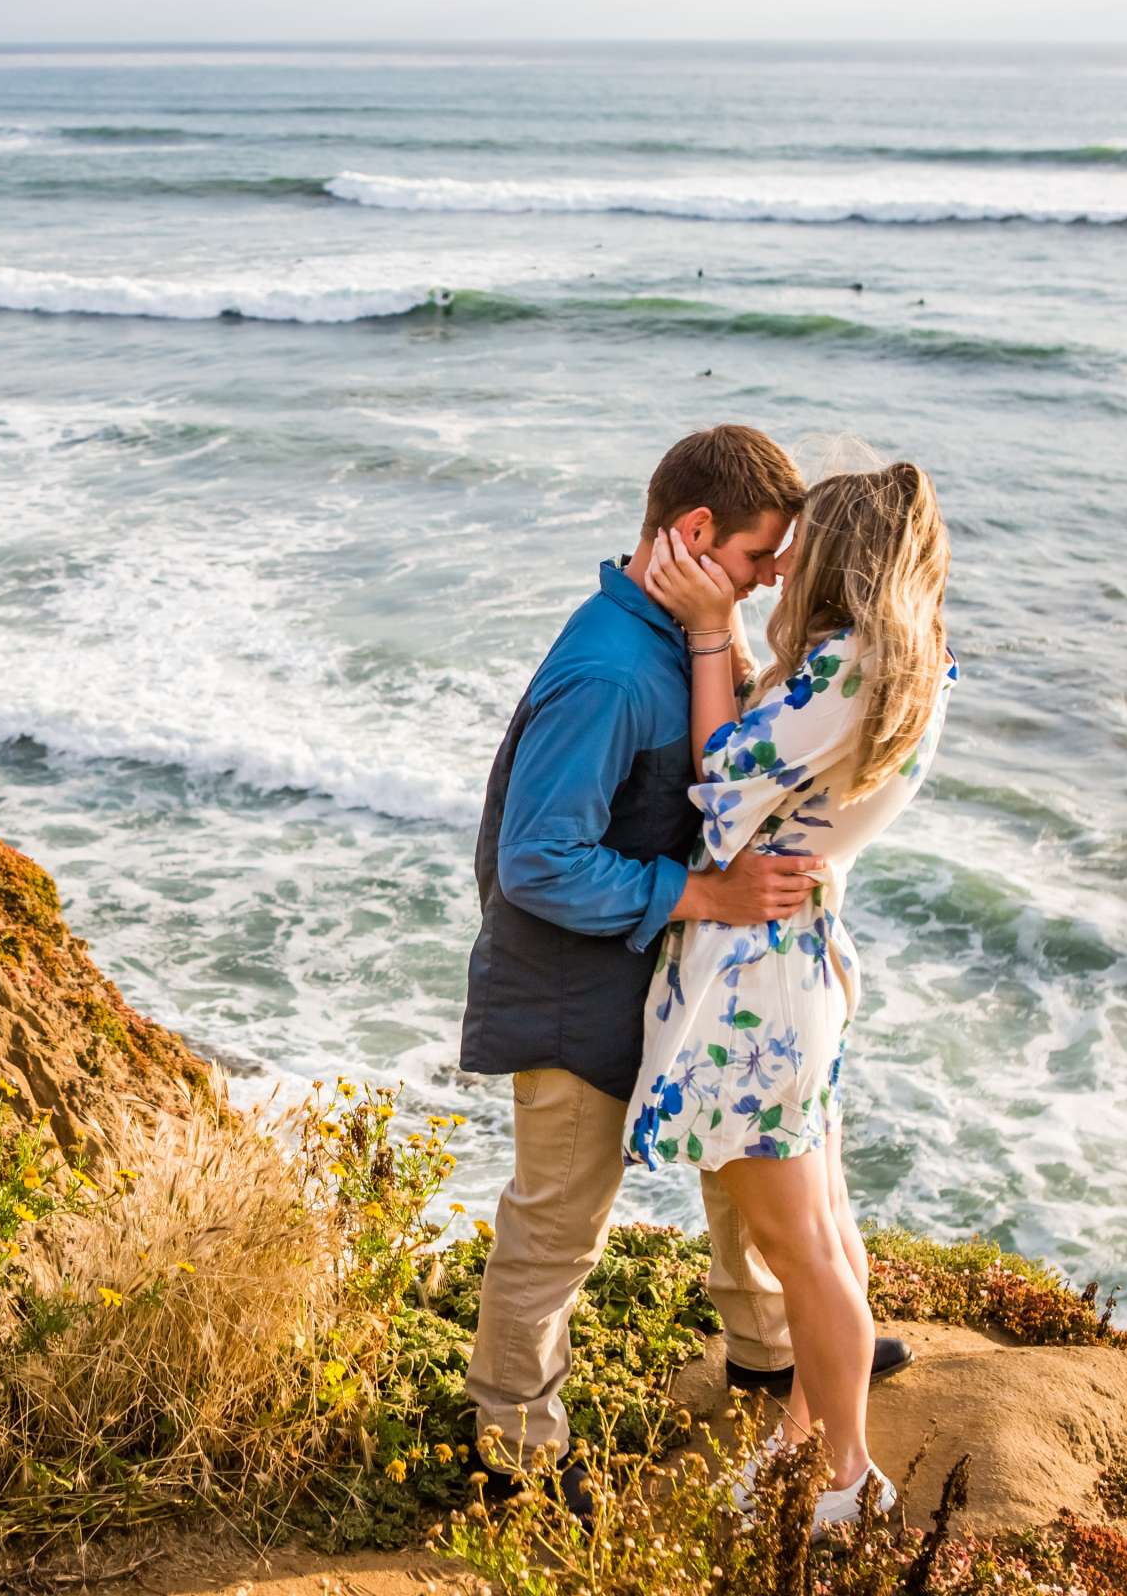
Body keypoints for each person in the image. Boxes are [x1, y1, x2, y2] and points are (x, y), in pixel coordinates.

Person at [459, 427, 908, 1512]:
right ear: (697, 533)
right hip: (571, 988)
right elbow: (534, 860)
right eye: (758, 559)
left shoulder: (681, 638)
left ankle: (772, 1347)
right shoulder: (609, 670)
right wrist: (702, 895)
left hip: (658, 970)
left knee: (736, 1160)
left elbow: (742, 758)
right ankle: (515, 1452)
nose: (766, 584)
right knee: (556, 1229)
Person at [628, 459, 956, 1534]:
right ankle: (804, 1440)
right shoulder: (906, 665)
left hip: (760, 983)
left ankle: (848, 1478)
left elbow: (722, 781)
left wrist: (712, 634)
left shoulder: (848, 670)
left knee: (798, 1244)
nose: (782, 565)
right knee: (822, 1227)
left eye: (800, 545)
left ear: (840, 556)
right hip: (798, 962)